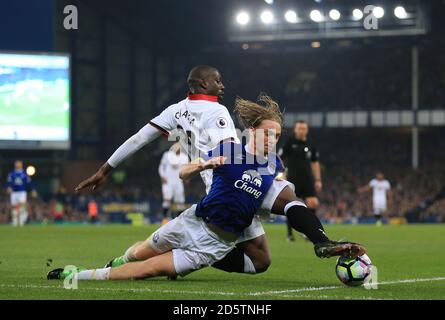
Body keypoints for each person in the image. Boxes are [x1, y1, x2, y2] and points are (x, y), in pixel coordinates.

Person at [74, 65, 364, 276]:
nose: (222, 85)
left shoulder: (173, 111)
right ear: (200, 83)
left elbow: (138, 138)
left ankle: (172, 256)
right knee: (288, 197)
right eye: (217, 80)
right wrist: (259, 167)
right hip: (232, 181)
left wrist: (105, 169)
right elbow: (229, 153)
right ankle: (321, 242)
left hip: (218, 183)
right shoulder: (217, 111)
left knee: (261, 261)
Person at [279, 120, 322, 241]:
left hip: (308, 179)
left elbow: (315, 162)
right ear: (295, 130)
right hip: (293, 179)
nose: (301, 130)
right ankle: (289, 234)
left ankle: (309, 231)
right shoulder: (289, 142)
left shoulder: (311, 144)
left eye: (304, 128)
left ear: (307, 130)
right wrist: (282, 173)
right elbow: (279, 158)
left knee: (313, 203)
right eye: (299, 128)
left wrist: (318, 179)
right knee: (291, 205)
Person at [158, 142, 188, 223]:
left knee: (180, 201)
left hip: (178, 181)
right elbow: (161, 166)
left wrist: (186, 178)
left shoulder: (184, 157)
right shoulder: (167, 155)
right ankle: (165, 218)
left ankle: (178, 220)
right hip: (168, 181)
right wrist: (162, 176)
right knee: (167, 199)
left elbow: (186, 169)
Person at [5, 160, 36, 226]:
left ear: (21, 165)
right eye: (16, 164)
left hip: (22, 192)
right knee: (14, 207)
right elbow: (8, 182)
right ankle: (15, 222)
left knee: (22, 207)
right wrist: (8, 187)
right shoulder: (12, 173)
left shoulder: (24, 173)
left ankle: (22, 221)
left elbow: (29, 182)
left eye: (19, 164)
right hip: (14, 192)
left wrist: (32, 190)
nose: (17, 165)